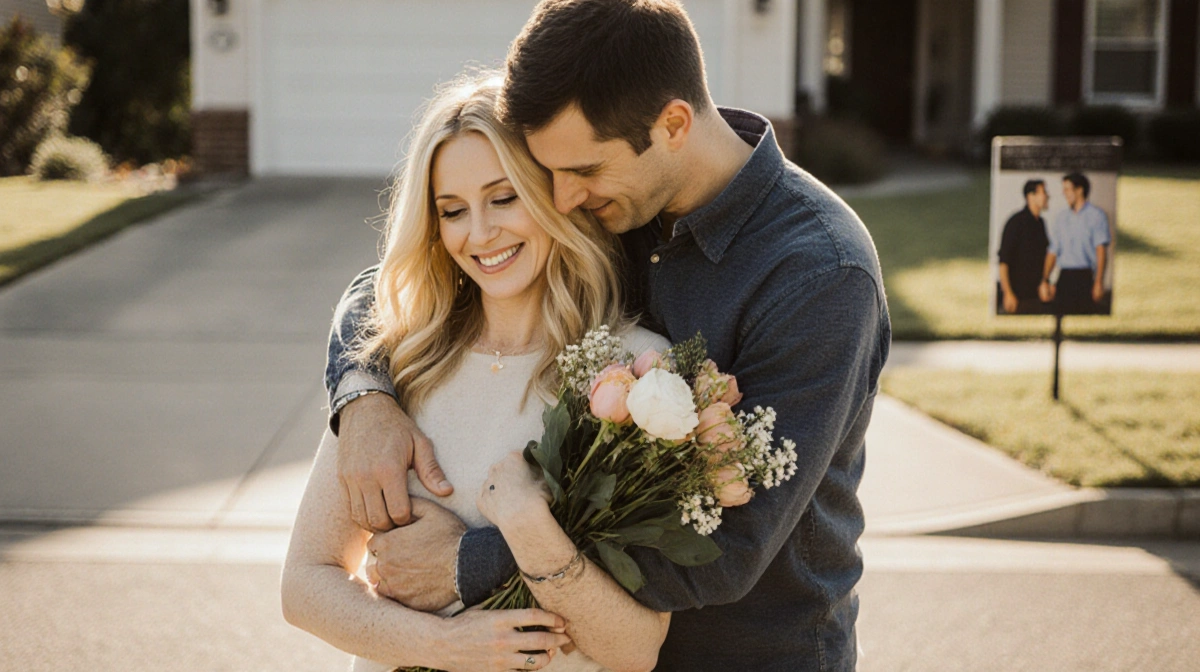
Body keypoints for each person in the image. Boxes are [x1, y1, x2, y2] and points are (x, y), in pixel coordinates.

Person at [325, 1, 889, 669]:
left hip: (754, 654)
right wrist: (361, 392)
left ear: (673, 124)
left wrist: (466, 559)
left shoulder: (820, 273)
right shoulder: (617, 203)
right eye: (548, 173)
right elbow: (398, 283)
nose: (560, 200)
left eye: (582, 172)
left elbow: (726, 548)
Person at [282, 75, 671, 672]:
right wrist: (444, 647)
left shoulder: (635, 376)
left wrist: (523, 529)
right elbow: (306, 584)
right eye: (453, 211)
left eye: (504, 197)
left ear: (550, 195)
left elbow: (634, 647)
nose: (481, 233)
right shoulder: (396, 367)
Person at [1040, 172, 1111, 314]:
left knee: (1084, 317)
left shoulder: (1096, 216)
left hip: (1085, 276)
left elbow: (1100, 251)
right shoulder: (1061, 218)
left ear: (1079, 190)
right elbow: (1053, 252)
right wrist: (1045, 280)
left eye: (1067, 189)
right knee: (1059, 316)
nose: (1064, 193)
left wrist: (1099, 281)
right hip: (1064, 276)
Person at [996, 179, 1051, 315]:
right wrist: (1008, 293)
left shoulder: (1041, 224)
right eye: (1043, 192)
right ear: (1030, 196)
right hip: (1017, 296)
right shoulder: (1015, 223)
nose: (1047, 196)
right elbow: (1004, 261)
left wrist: (1045, 282)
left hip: (1035, 295)